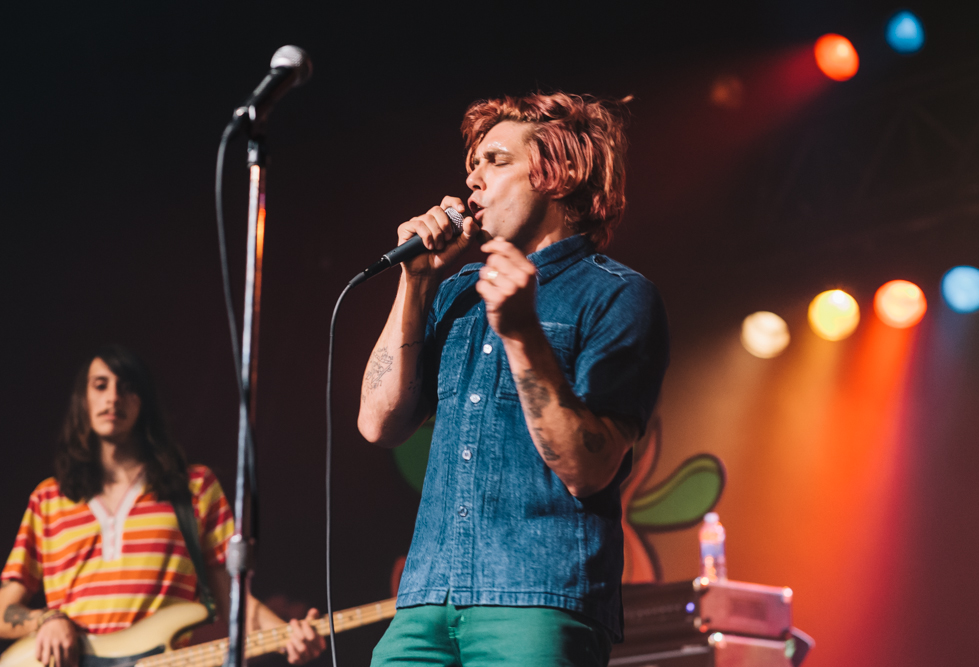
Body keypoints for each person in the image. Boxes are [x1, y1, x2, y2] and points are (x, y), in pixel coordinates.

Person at [358, 92, 670, 666]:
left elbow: (589, 469)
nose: (472, 180)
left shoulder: (617, 295)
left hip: (537, 599)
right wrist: (417, 282)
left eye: (495, 161)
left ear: (559, 173)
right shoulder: (456, 291)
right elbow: (378, 423)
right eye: (472, 165)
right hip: (427, 597)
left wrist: (524, 335)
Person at [0, 345, 326, 667]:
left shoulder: (194, 488)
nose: (113, 397)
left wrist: (287, 635)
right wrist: (47, 619)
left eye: (127, 388)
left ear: (144, 402)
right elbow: (4, 609)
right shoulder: (48, 499)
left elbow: (234, 599)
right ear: (82, 400)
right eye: (100, 385)